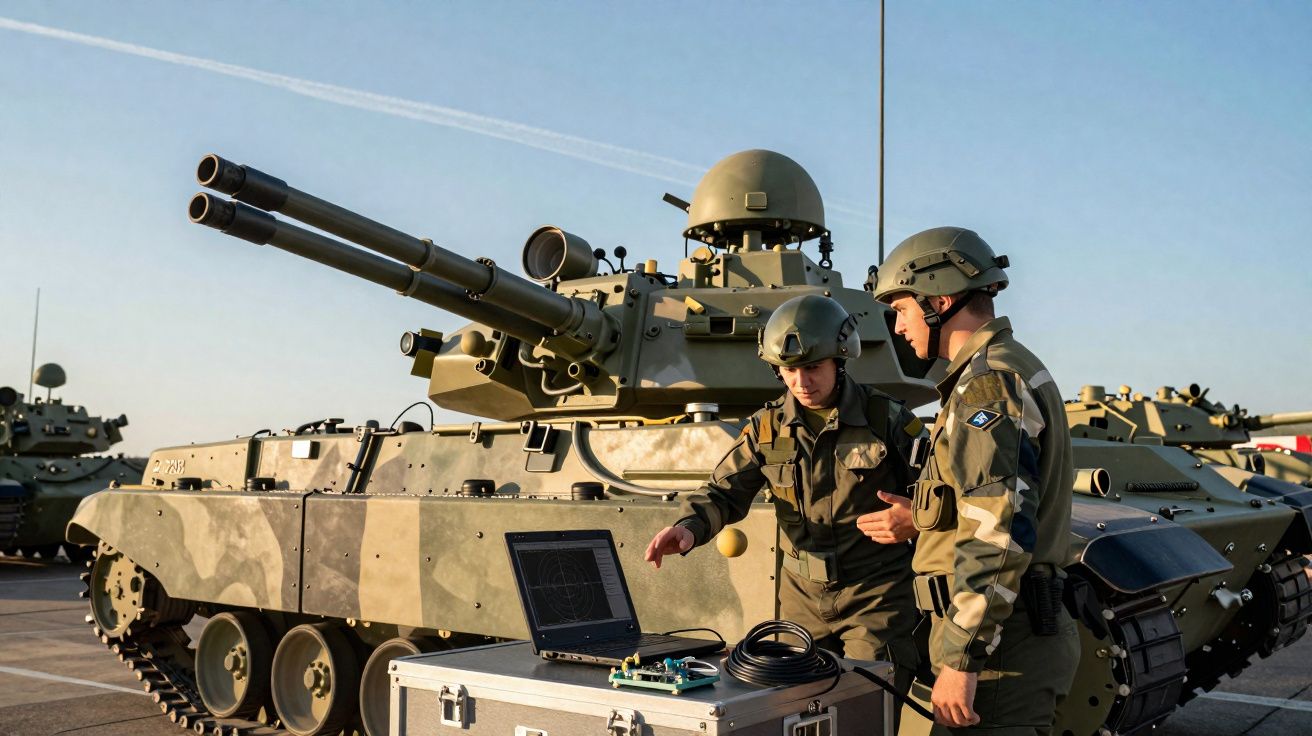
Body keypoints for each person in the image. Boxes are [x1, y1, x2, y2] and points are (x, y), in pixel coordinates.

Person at [644, 293, 924, 692]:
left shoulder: (887, 419)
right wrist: (689, 528)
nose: (801, 382)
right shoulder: (766, 428)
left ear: (839, 360)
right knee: (792, 712)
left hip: (875, 597)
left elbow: (945, 491)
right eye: (788, 370)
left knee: (864, 707)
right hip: (801, 600)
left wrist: (916, 518)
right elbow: (724, 491)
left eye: (812, 367)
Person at [871, 227, 1078, 734]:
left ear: (939, 300)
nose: (897, 327)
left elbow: (999, 535)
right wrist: (922, 519)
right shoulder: (1006, 368)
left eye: (901, 309)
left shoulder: (987, 384)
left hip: (999, 649)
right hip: (1004, 633)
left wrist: (962, 658)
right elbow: (988, 504)